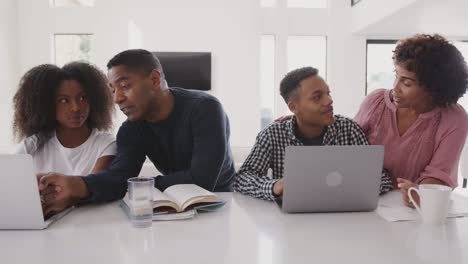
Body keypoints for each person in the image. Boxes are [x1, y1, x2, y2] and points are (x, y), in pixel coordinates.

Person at [38, 49, 235, 212]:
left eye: (124, 86)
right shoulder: (131, 129)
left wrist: (137, 184)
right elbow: (118, 176)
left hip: (223, 202)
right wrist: (76, 185)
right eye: (113, 90)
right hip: (174, 203)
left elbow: (202, 179)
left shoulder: (205, 108)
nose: (117, 99)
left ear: (155, 80)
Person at [234, 67, 393, 200]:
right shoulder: (271, 135)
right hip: (292, 223)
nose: (329, 101)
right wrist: (275, 186)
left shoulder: (349, 129)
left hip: (344, 218)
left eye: (328, 93)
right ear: (294, 108)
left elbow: (382, 178)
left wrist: (357, 188)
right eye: (317, 97)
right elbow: (242, 179)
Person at [354, 34, 468, 207]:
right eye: (396, 75)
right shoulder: (375, 102)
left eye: (406, 83)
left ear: (433, 88)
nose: (395, 87)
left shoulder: (454, 118)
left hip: (412, 210)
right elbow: (348, 153)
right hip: (366, 199)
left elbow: (438, 173)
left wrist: (419, 193)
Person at [13, 62, 117, 214]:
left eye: (82, 98)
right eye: (63, 100)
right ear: (46, 105)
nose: (75, 107)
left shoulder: (105, 144)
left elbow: (94, 185)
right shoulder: (32, 145)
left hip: (91, 225)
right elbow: (10, 189)